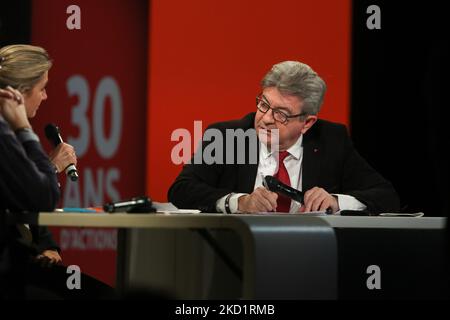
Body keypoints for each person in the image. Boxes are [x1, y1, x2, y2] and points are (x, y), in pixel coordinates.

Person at [168, 60, 400, 214]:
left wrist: (336, 201)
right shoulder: (229, 136)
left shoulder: (331, 140)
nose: (266, 118)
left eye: (281, 114)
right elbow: (182, 190)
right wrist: (239, 202)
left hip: (310, 255)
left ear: (307, 122)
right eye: (264, 105)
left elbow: (386, 196)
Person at [0, 44, 112, 299]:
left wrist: (47, 246)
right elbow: (42, 196)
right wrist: (25, 129)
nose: (45, 97)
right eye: (42, 89)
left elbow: (23, 199)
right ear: (18, 94)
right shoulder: (6, 134)